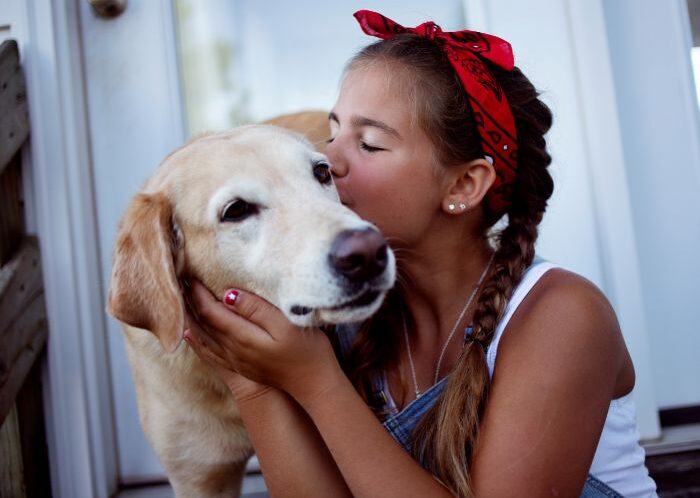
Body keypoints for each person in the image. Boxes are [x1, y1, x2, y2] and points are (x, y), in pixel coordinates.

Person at [183, 10, 658, 498]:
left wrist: (316, 383)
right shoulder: (345, 315)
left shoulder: (563, 318)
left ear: (463, 185)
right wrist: (252, 383)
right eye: (334, 131)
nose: (327, 160)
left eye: (368, 144)